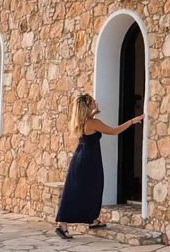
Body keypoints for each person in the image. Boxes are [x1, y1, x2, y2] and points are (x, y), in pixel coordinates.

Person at [55, 92, 143, 240]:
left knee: (76, 190)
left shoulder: (82, 121)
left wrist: (93, 112)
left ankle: (78, 221)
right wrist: (133, 121)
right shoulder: (93, 123)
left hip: (79, 159)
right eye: (92, 101)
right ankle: (72, 223)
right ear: (87, 107)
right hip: (89, 161)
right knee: (93, 188)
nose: (96, 101)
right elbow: (114, 131)